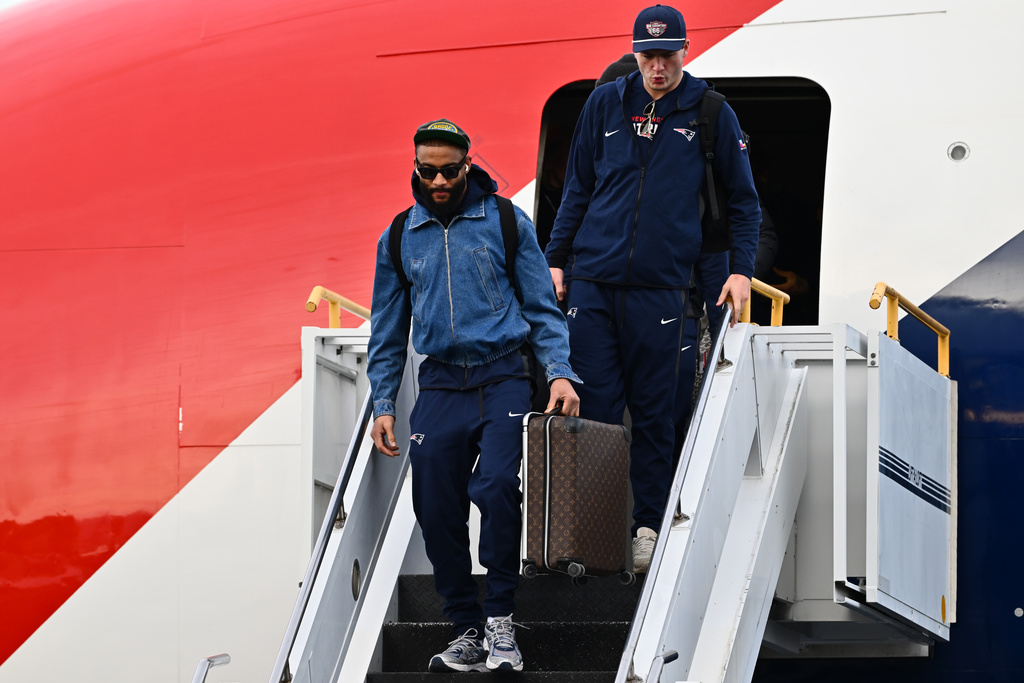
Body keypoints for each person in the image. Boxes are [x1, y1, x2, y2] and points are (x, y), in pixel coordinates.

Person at [544, 5, 760, 573]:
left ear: (685, 53)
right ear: (635, 52)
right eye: (648, 55)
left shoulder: (712, 113)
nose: (657, 66)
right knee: (592, 412)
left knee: (656, 415)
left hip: (665, 291)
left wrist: (741, 269)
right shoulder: (604, 103)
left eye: (667, 55)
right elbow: (578, 190)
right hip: (594, 284)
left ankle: (645, 530)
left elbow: (743, 203)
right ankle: (581, 540)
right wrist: (556, 259)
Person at [367, 118, 581, 673]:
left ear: (467, 166)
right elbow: (387, 331)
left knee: (494, 489)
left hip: (503, 375)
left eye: (448, 170)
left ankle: (501, 623)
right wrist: (383, 404)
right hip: (439, 382)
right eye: (426, 170)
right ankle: (464, 627)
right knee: (435, 505)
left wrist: (559, 372)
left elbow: (541, 307)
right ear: (415, 168)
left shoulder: (506, 222)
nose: (438, 180)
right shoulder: (398, 236)